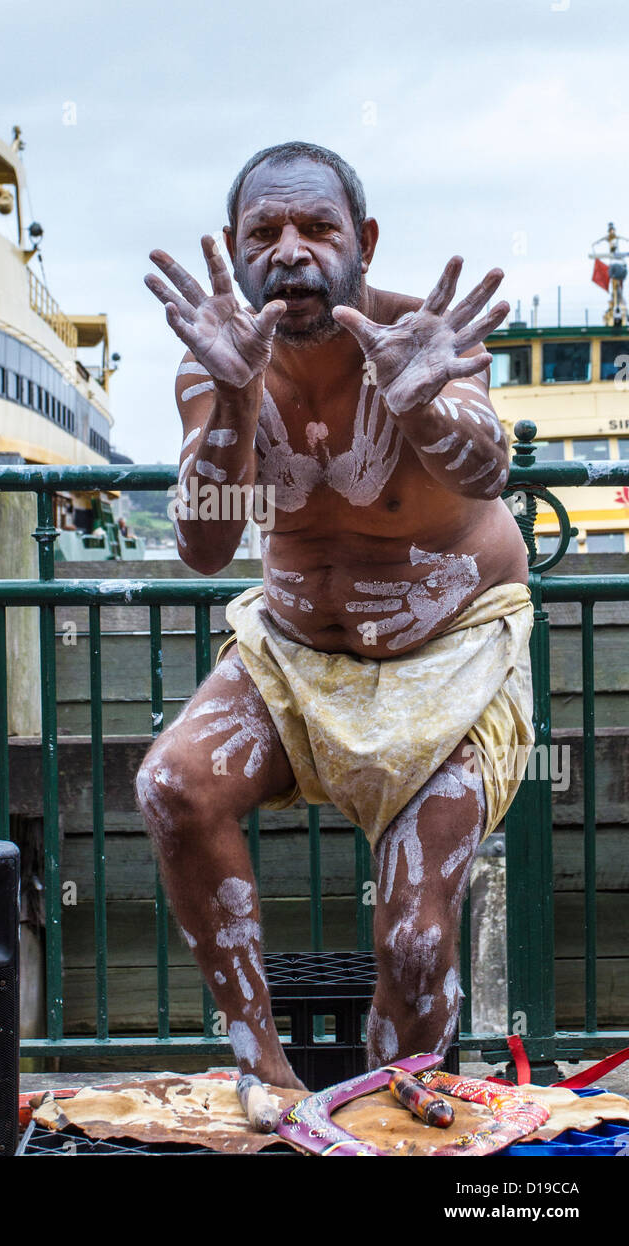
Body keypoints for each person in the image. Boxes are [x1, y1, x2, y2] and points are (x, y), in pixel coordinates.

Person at [137, 141, 533, 1091]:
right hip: (294, 657)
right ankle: (264, 1075)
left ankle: (399, 1105)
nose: (291, 250)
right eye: (263, 232)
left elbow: (487, 472)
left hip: (450, 654)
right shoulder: (218, 367)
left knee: (413, 938)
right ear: (235, 256)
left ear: (364, 242)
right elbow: (200, 544)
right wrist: (234, 391)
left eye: (317, 227)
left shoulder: (421, 340)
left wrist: (426, 405)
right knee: (173, 786)